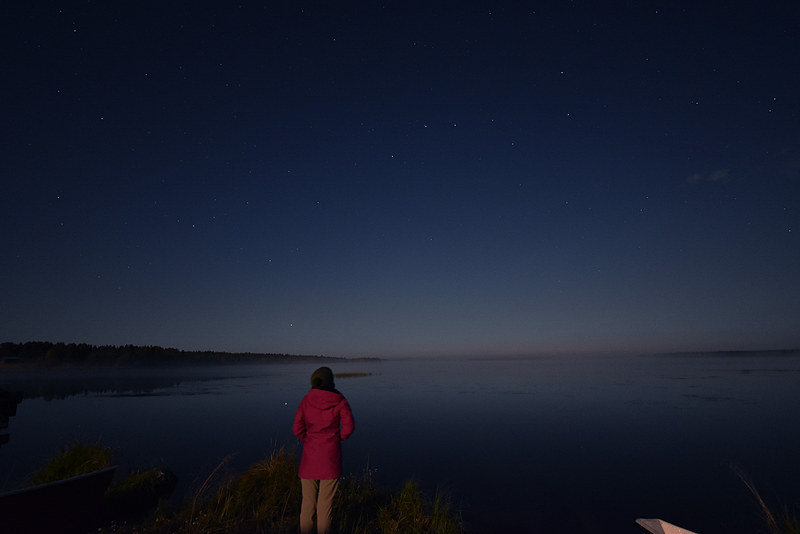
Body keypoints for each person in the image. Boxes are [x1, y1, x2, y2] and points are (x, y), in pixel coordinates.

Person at [293, 366, 355, 534]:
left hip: (309, 460)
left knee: (307, 505)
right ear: (331, 381)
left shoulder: (306, 400)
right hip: (330, 460)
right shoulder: (340, 399)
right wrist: (339, 437)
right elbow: (349, 426)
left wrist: (308, 440)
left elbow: (297, 428)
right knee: (324, 507)